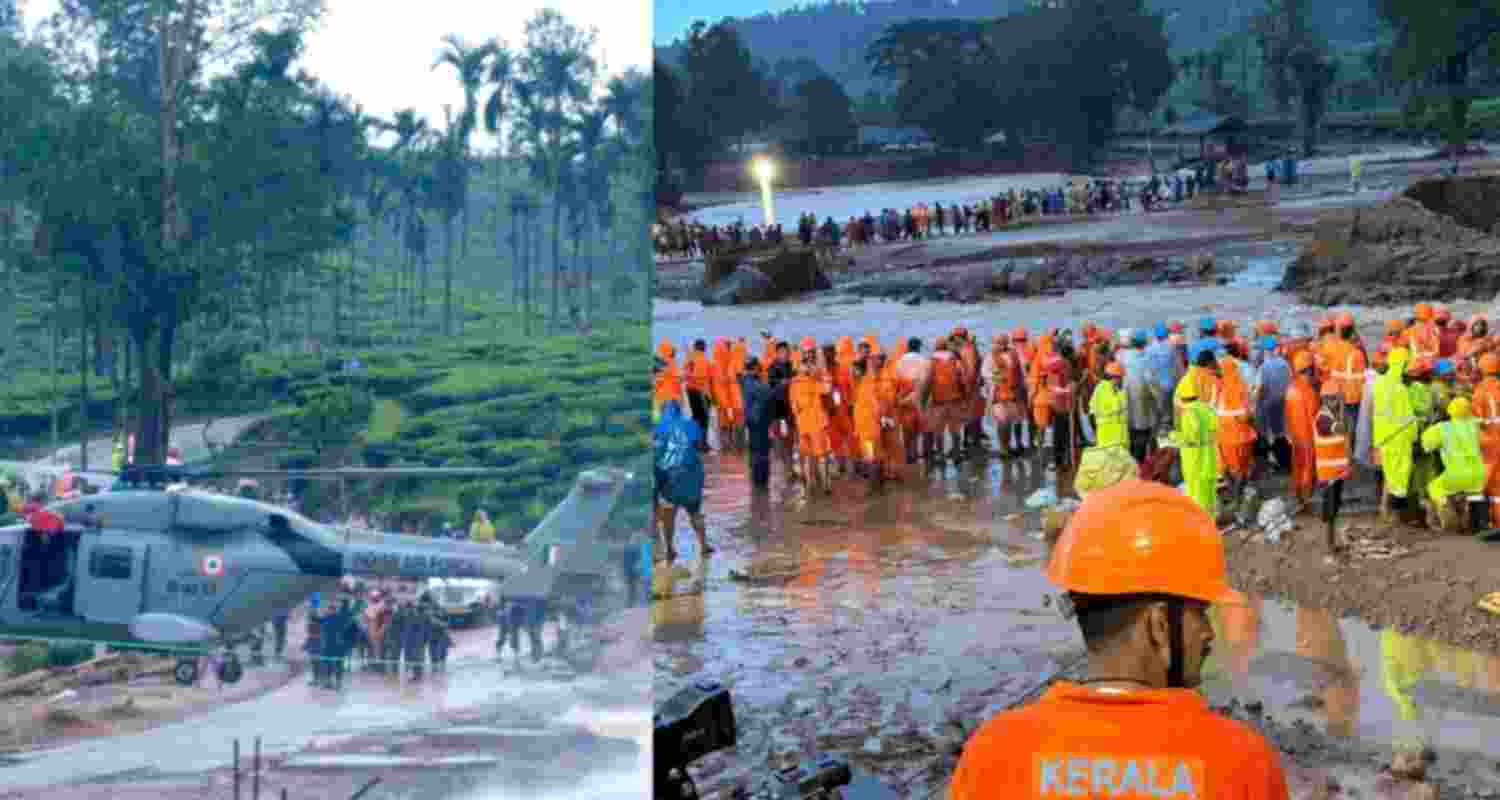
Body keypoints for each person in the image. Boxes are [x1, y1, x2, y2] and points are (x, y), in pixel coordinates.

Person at [949, 480, 1290, 799]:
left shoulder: (991, 756)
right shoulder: (1243, 765)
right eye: (1200, 612)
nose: (1208, 632)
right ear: (1159, 625)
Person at [654, 399, 709, 562]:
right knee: (695, 512)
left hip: (670, 477)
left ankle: (670, 548)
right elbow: (701, 446)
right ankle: (704, 545)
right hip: (692, 475)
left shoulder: (657, 428)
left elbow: (656, 454)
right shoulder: (692, 424)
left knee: (668, 514)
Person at [1420, 397, 1485, 531]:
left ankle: (1446, 511)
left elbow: (1427, 445)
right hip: (1478, 473)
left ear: (1449, 411)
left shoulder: (1443, 428)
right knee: (1474, 494)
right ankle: (1475, 522)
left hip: (1456, 473)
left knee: (1435, 487)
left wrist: (1432, 426)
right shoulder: (1475, 425)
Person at [1374, 348, 1418, 524]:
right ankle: (1395, 518)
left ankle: (1384, 510)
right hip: (1398, 438)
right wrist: (1414, 437)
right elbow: (1408, 418)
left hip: (1383, 438)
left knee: (1389, 475)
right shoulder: (1400, 389)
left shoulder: (1380, 383)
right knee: (1399, 479)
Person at [1173, 354, 1220, 515]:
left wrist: (1174, 436)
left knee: (1196, 491)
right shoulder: (1206, 409)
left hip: (1193, 458)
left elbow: (1188, 435)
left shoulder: (1188, 412)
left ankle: (1200, 521)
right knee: (1209, 492)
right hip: (1209, 457)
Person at [1314, 384, 1351, 553]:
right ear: (1324, 399)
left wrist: (1347, 464)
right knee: (1330, 512)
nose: (1335, 401)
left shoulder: (1332, 415)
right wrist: (1343, 406)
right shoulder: (1323, 419)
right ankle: (1329, 545)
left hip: (1337, 472)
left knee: (1334, 509)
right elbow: (1341, 429)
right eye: (1332, 398)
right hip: (1328, 474)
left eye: (1336, 398)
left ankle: (1333, 542)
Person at [1285, 352, 1320, 507]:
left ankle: (1298, 498)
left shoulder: (1290, 389)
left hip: (1295, 436)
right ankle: (1306, 501)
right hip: (1308, 436)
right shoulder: (1309, 391)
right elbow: (1315, 414)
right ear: (1308, 369)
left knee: (1297, 466)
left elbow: (1286, 414)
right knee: (1308, 467)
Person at [738, 359, 779, 490]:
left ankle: (758, 481)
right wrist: (777, 385)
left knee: (756, 451)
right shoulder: (752, 383)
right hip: (758, 420)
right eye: (758, 368)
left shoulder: (746, 381)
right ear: (755, 368)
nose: (760, 370)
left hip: (753, 420)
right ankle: (760, 482)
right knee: (761, 452)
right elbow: (767, 393)